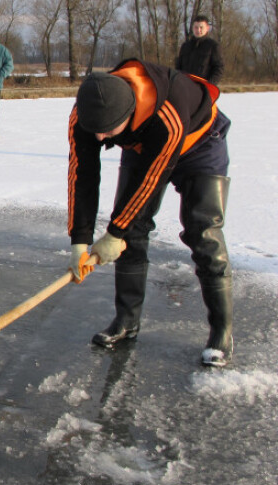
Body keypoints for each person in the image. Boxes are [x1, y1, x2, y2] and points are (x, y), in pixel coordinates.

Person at [67, 59, 233, 367]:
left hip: (200, 144)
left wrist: (114, 233)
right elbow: (82, 175)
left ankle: (221, 332)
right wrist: (80, 239)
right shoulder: (85, 113)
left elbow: (151, 180)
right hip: (142, 144)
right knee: (131, 231)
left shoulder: (168, 117)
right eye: (95, 131)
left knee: (202, 232)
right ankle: (127, 321)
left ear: (128, 113)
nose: (100, 139)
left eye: (107, 131)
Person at [175, 15, 224, 85]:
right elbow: (178, 67)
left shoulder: (213, 46)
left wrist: (209, 85)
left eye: (201, 27)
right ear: (192, 28)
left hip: (203, 87)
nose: (198, 30)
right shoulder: (185, 46)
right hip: (185, 86)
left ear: (207, 28)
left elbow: (219, 68)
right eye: (196, 27)